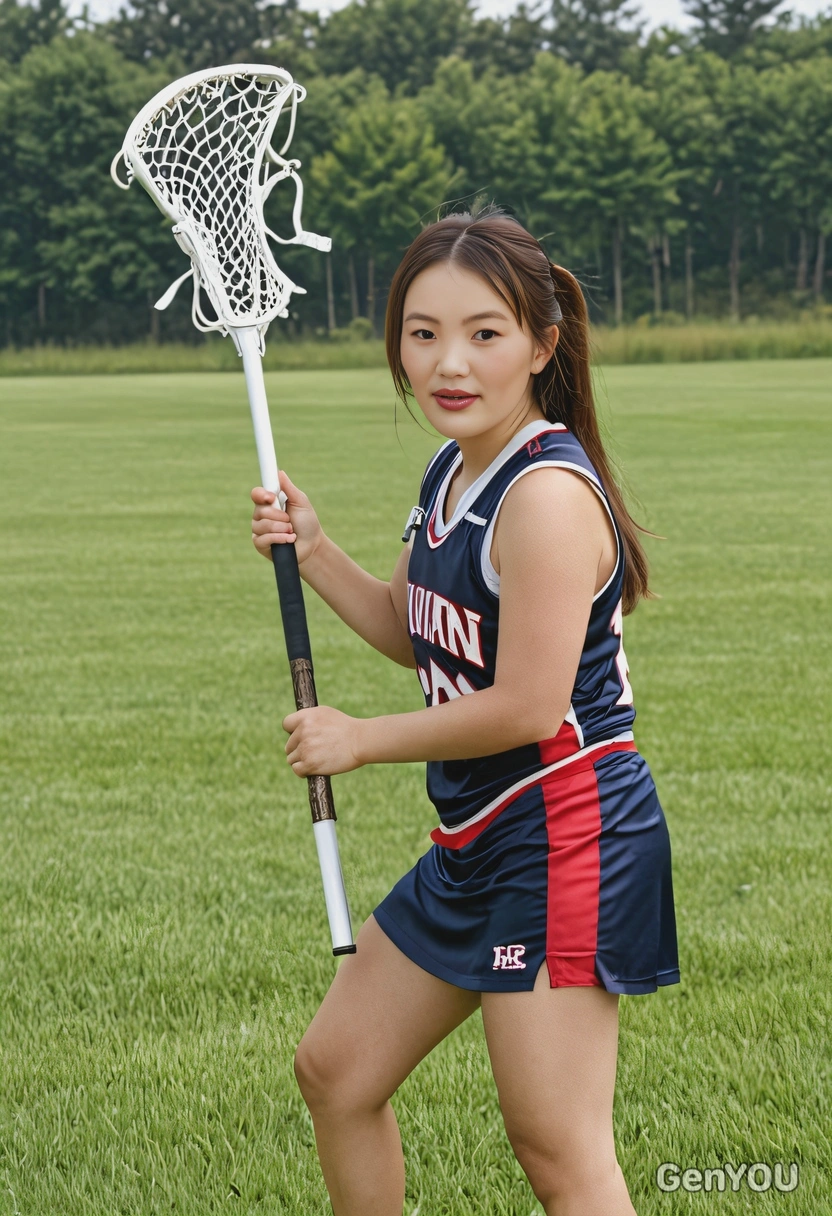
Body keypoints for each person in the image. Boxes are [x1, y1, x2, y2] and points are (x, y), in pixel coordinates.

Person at [250, 207, 680, 1216]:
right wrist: (312, 550)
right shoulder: (453, 469)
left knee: (556, 1144)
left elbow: (529, 705)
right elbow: (413, 629)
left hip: (569, 835)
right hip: (481, 838)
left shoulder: (544, 498)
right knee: (337, 1072)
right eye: (423, 331)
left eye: (484, 333)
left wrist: (360, 740)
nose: (450, 361)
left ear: (540, 342)